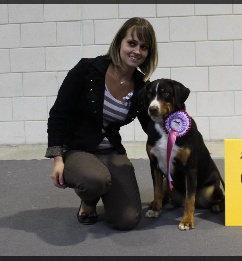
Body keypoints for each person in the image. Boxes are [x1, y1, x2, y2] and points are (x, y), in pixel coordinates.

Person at [45, 17, 158, 231]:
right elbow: (59, 113)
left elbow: (150, 126)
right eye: (131, 43)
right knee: (95, 180)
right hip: (78, 148)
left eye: (144, 47)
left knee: (127, 220)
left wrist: (177, 135)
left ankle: (106, 188)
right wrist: (57, 159)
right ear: (119, 43)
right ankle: (89, 201)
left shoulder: (142, 87)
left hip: (112, 152)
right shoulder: (87, 69)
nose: (137, 51)